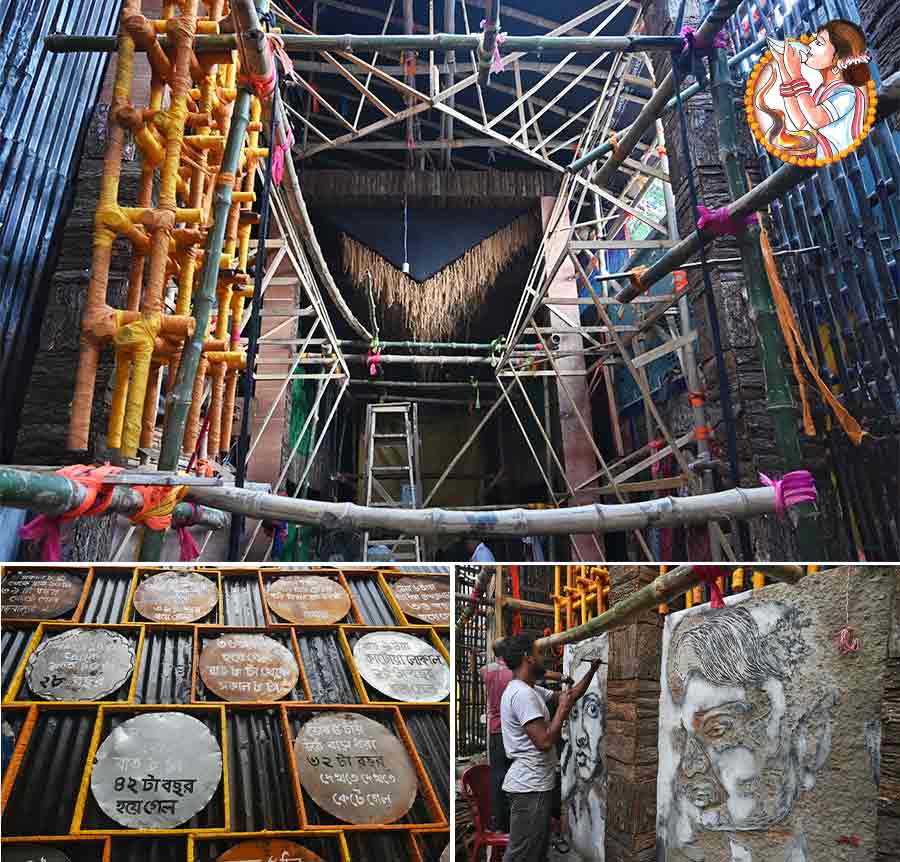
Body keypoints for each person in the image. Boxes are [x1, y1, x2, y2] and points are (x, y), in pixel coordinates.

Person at [500, 632, 602, 862]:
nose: (542, 658)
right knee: (521, 855)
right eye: (538, 653)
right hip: (529, 788)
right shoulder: (522, 694)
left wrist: (591, 671)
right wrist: (562, 710)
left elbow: (569, 696)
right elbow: (544, 741)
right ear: (527, 657)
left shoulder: (531, 690)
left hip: (535, 786)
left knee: (536, 852)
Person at [770, 19, 871, 159]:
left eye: (819, 43)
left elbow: (816, 120)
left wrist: (795, 73)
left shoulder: (847, 93)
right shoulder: (822, 90)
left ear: (838, 58)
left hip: (844, 162)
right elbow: (800, 122)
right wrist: (784, 68)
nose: (810, 46)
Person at [480, 638, 514, 832]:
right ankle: (514, 820)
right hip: (514, 729)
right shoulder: (515, 671)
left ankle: (500, 823)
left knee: (498, 775)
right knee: (514, 774)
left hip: (496, 730)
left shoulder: (486, 670)